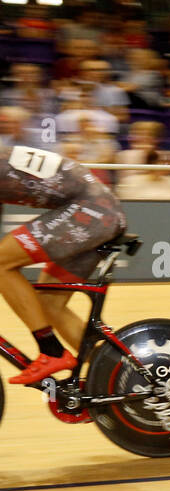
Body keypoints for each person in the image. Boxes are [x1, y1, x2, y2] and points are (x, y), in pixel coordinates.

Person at [0, 145, 128, 384]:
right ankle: (117, 378)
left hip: (91, 210)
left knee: (1, 264)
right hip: (99, 210)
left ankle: (51, 351)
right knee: (49, 304)